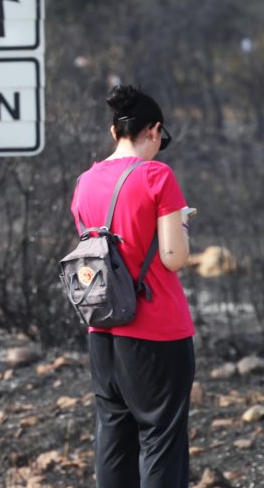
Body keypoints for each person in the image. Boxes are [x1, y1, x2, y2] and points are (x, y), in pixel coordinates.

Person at [70, 84, 194, 488]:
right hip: (156, 328)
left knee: (114, 436)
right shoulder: (157, 175)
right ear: (154, 131)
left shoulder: (85, 181)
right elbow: (174, 257)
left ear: (114, 132)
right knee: (161, 437)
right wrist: (184, 224)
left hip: (102, 328)